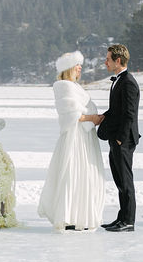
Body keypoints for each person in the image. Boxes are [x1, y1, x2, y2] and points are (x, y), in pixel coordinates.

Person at [38, 51, 106, 231]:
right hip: (75, 137)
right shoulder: (63, 86)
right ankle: (69, 215)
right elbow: (71, 115)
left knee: (85, 175)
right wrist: (92, 118)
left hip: (85, 137)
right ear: (68, 68)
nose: (80, 67)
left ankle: (80, 216)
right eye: (77, 64)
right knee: (73, 174)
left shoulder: (75, 86)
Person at [96, 43, 140, 232]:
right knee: (119, 180)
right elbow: (116, 110)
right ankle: (122, 218)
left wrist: (121, 139)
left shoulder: (128, 82)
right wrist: (100, 118)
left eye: (108, 59)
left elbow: (129, 114)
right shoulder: (119, 80)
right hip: (116, 138)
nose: (105, 63)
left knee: (125, 180)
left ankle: (128, 221)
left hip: (124, 140)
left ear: (118, 61)